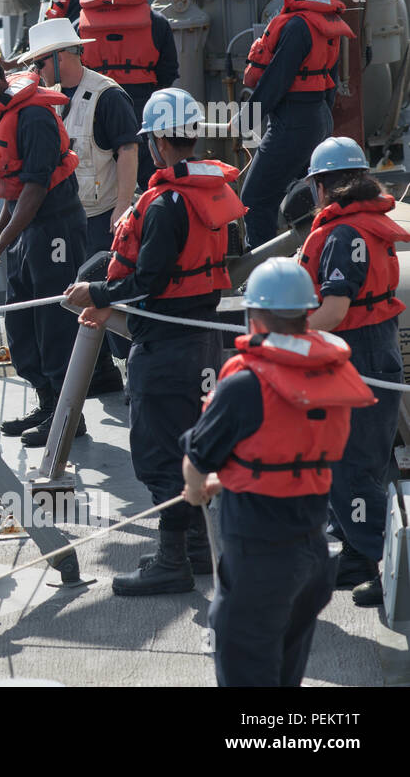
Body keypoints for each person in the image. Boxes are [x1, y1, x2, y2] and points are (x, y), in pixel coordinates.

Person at [65, 88, 246, 594]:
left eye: (149, 141)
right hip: (205, 341)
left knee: (158, 454)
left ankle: (173, 562)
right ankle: (194, 548)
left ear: (159, 143)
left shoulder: (165, 205)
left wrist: (96, 292)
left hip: (165, 347)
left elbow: (148, 279)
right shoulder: (210, 194)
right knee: (192, 444)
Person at [182, 259, 376, 686]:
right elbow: (286, 452)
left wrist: (197, 490)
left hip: (258, 563)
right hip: (312, 558)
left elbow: (196, 462)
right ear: (308, 313)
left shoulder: (245, 384)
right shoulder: (334, 373)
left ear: (254, 314)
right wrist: (231, 478)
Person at [0, 43, 89, 447]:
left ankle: (68, 418)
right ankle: (47, 402)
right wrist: (0, 237)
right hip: (26, 232)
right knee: (22, 323)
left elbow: (34, 190)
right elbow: (12, 194)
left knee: (54, 321)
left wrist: (0, 242)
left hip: (55, 229)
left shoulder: (32, 118)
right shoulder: (1, 117)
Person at [299, 137, 409, 605]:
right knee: (358, 459)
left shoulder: (343, 236)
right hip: (376, 347)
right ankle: (357, 553)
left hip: (356, 355)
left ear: (323, 187)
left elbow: (336, 307)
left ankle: (380, 560)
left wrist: (287, 337)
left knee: (351, 467)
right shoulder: (370, 227)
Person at [19, 17, 138, 395]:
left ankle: (132, 370)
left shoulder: (106, 96)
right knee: (72, 300)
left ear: (60, 57)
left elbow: (127, 149)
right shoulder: (44, 98)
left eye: (39, 63)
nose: (35, 71)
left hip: (101, 215)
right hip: (65, 219)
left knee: (110, 298)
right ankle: (99, 372)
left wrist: (122, 206)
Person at [240, 0, 354, 248]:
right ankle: (310, 256)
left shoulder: (297, 25)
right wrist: (321, 122)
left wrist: (245, 121)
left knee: (254, 198)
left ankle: (261, 274)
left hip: (293, 123)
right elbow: (330, 79)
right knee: (306, 198)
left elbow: (276, 80)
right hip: (319, 117)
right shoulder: (326, 21)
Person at [76, 0, 179, 187]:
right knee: (150, 182)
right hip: (143, 111)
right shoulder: (157, 21)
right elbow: (169, 71)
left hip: (96, 111)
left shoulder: (78, 25)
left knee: (102, 186)